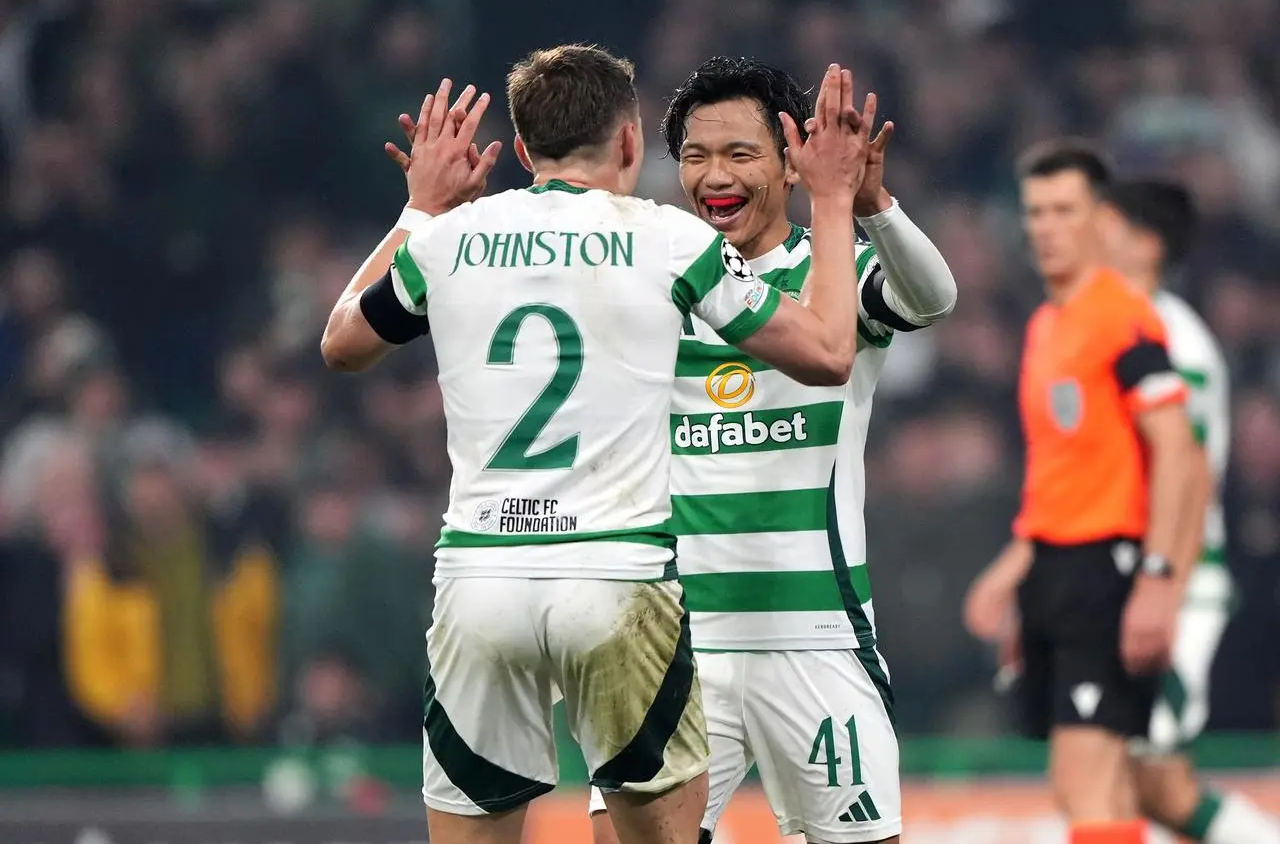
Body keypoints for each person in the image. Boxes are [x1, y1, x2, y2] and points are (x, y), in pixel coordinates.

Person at [321, 46, 877, 844]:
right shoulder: (668, 241)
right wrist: (831, 196)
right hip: (616, 577)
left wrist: (419, 209)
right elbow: (827, 352)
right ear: (628, 141)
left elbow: (342, 342)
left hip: (482, 578)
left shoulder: (450, 240)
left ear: (522, 150)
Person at [586, 56, 957, 844]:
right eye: (695, 155)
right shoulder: (660, 277)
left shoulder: (833, 270)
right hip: (680, 638)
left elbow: (932, 298)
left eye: (739, 153)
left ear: (793, 163)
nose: (714, 175)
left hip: (816, 635)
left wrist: (869, 202)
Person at [963, 141, 1204, 844]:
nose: (1046, 227)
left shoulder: (1121, 315)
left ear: (1101, 218)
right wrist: (1016, 570)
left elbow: (1178, 452)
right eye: (1035, 212)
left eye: (1064, 210)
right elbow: (1062, 473)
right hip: (1058, 566)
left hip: (1108, 569)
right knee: (1095, 786)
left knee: (1086, 781)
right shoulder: (1048, 324)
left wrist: (1159, 577)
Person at [1097, 180, 1280, 843]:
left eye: (1105, 221)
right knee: (1115, 776)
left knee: (1154, 782)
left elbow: (1188, 470)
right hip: (1135, 580)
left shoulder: (1172, 337)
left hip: (1172, 584)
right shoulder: (1116, 325)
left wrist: (1160, 583)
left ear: (1146, 244)